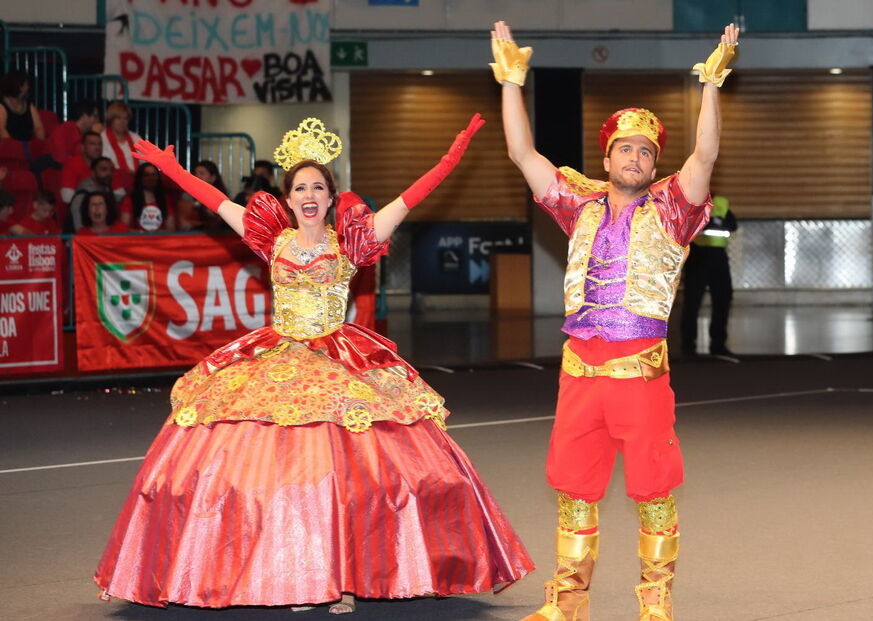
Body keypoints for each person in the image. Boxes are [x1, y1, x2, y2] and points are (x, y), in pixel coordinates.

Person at [94, 115, 533, 613]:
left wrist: (446, 162)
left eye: (318, 186)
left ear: (329, 197)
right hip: (277, 355)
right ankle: (298, 574)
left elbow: (408, 202)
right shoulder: (272, 238)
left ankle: (344, 577)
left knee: (347, 478)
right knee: (283, 477)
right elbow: (215, 202)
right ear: (287, 199)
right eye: (300, 186)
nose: (309, 193)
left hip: (338, 359)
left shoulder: (349, 243)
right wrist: (172, 169)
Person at [491, 20, 738, 621]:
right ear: (607, 159)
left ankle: (655, 604)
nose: (635, 157)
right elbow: (523, 154)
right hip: (580, 372)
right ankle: (567, 603)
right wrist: (511, 80)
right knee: (575, 492)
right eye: (625, 148)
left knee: (653, 493)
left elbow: (705, 153)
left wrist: (710, 83)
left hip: (640, 375)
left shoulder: (675, 208)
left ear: (655, 164)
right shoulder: (579, 201)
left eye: (646, 151)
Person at [680, 194, 738, 356]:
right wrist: (715, 221)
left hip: (717, 258)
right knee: (692, 302)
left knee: (722, 300)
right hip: (699, 257)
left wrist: (712, 221)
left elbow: (733, 226)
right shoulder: (694, 206)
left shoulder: (720, 205)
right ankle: (688, 346)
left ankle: (717, 344)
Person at [68, 156, 124, 231]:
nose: (109, 173)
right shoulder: (82, 196)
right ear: (93, 173)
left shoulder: (107, 191)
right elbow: (79, 229)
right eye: (104, 169)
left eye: (111, 170)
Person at [120, 161, 176, 232]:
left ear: (158, 178)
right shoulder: (129, 200)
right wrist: (142, 233)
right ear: (140, 178)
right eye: (146, 175)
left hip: (160, 240)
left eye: (154, 175)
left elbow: (171, 229)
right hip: (137, 240)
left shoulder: (166, 200)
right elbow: (124, 229)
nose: (150, 178)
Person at [176, 160, 230, 232]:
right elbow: (183, 222)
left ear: (213, 178)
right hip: (194, 235)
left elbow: (225, 222)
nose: (197, 176)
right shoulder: (187, 195)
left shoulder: (222, 197)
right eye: (196, 173)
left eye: (202, 173)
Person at [0, 70, 44, 143]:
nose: (28, 87)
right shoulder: (2, 105)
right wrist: (13, 146)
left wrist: (40, 144)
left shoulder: (29, 105)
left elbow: (38, 128)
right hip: (8, 148)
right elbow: (1, 129)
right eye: (26, 84)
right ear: (20, 86)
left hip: (27, 147)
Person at [100, 101, 142, 173]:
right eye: (118, 118)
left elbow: (144, 160)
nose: (122, 122)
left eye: (125, 118)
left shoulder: (135, 138)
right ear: (111, 119)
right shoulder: (102, 138)